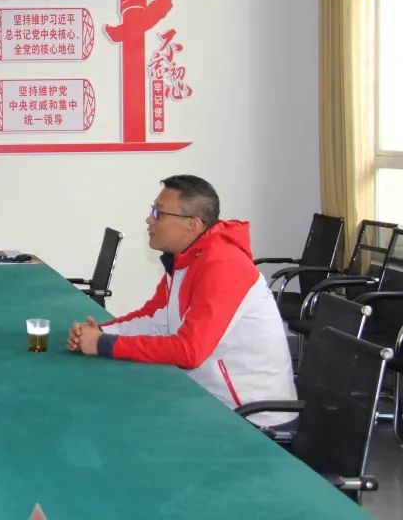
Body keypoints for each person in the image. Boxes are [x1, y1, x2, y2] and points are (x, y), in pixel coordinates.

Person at [66, 175, 297, 429]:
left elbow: (190, 351)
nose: (149, 219)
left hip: (251, 420)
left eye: (159, 213)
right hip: (208, 401)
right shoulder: (188, 258)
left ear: (193, 225)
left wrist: (104, 344)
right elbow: (154, 317)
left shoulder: (224, 266)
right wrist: (102, 331)